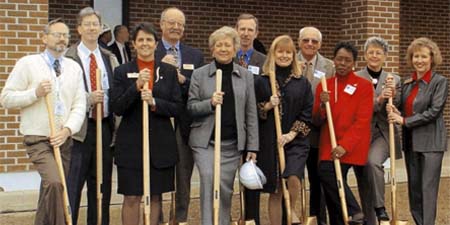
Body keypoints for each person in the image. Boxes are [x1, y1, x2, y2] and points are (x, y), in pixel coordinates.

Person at [0, 18, 86, 225]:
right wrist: (35, 93)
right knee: (55, 184)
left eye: (65, 35)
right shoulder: (28, 63)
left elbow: (79, 105)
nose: (62, 39)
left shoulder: (73, 68)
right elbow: (6, 98)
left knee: (51, 189)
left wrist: (67, 130)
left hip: (63, 140)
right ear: (44, 38)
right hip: (38, 139)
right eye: (57, 34)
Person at [111, 22, 182, 225]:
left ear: (156, 43)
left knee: (156, 196)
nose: (144, 43)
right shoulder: (122, 71)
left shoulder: (168, 71)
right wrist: (135, 87)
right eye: (140, 40)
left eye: (149, 39)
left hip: (160, 145)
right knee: (132, 196)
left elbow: (177, 107)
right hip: (131, 145)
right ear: (133, 44)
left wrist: (154, 103)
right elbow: (117, 107)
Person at [187, 26, 258, 225]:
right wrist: (209, 103)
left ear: (235, 48)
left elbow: (251, 113)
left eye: (228, 45)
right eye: (219, 45)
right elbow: (191, 107)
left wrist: (252, 146)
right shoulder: (200, 75)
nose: (223, 49)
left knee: (225, 188)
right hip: (206, 142)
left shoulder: (245, 76)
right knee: (209, 178)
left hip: (232, 144)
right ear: (212, 49)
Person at [65, 7, 119, 225]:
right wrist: (87, 99)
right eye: (86, 24)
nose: (91, 28)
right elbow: (63, 96)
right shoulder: (69, 57)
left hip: (104, 128)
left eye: (95, 24)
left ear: (100, 28)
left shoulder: (109, 57)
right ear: (79, 29)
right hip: (79, 131)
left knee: (101, 187)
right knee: (73, 185)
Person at [387, 37, 448, 225]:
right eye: (415, 56)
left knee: (427, 189)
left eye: (423, 56)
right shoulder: (408, 83)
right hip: (411, 142)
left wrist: (403, 120)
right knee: (414, 189)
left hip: (431, 143)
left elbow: (434, 112)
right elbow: (402, 109)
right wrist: (393, 105)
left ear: (431, 59)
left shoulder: (440, 82)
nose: (419, 60)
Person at [312, 41, 374, 225]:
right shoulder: (324, 85)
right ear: (333, 61)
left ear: (354, 63)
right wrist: (323, 104)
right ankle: (347, 217)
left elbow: (362, 121)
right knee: (328, 181)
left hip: (352, 145)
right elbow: (316, 120)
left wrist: (344, 146)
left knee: (330, 176)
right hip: (328, 144)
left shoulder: (363, 86)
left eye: (347, 60)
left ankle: (355, 212)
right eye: (339, 59)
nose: (343, 63)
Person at [255, 35, 313, 225]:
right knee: (276, 189)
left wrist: (291, 135)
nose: (284, 55)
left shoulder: (301, 82)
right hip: (271, 140)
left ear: (293, 55)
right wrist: (268, 106)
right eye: (280, 51)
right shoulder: (263, 81)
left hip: (295, 139)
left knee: (294, 176)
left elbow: (307, 112)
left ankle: (291, 211)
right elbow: (253, 110)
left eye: (288, 52)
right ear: (273, 53)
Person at [155, 7, 204, 223]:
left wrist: (184, 80)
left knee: (183, 175)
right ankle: (156, 218)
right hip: (158, 122)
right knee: (157, 173)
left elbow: (202, 86)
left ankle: (180, 218)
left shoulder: (195, 55)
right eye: (171, 23)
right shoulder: (151, 50)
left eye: (180, 24)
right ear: (162, 24)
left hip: (185, 123)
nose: (176, 27)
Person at [354, 36, 402, 225]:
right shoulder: (356, 78)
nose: (374, 56)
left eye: (378, 53)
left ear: (385, 56)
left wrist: (394, 102)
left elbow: (399, 107)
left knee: (372, 162)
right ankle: (369, 220)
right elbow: (358, 106)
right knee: (364, 178)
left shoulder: (394, 79)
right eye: (371, 52)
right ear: (365, 55)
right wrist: (380, 98)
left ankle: (379, 207)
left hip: (382, 132)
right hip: (360, 133)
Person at [296, 26, 334, 225]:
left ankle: (318, 218)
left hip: (318, 132)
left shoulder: (328, 66)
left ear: (320, 44)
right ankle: (292, 216)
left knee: (317, 178)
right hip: (294, 130)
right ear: (299, 41)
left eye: (314, 41)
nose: (310, 44)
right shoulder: (288, 59)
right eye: (306, 40)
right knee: (294, 176)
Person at [234, 13, 266, 224]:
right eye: (242, 29)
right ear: (236, 30)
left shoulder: (264, 61)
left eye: (249, 30)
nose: (245, 33)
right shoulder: (227, 55)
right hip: (232, 125)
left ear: (256, 33)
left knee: (251, 172)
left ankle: (251, 218)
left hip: (256, 125)